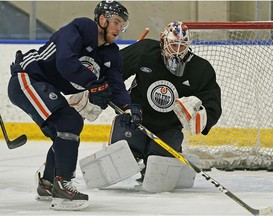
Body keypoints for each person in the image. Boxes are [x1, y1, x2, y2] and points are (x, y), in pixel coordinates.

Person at [7, 0, 142, 210]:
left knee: (65, 131)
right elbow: (65, 61)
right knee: (69, 120)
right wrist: (93, 84)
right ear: (102, 19)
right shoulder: (80, 28)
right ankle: (63, 186)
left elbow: (115, 86)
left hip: (46, 86)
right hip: (27, 78)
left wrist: (128, 109)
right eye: (116, 22)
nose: (119, 28)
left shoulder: (112, 54)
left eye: (122, 25)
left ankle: (48, 182)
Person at [109, 21, 222, 184]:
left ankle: (160, 158)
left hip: (169, 127)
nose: (176, 51)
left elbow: (212, 103)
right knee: (123, 158)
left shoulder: (200, 69)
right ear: (162, 42)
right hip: (135, 118)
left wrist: (203, 118)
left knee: (157, 172)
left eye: (181, 46)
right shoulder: (144, 51)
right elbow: (112, 74)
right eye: (172, 44)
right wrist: (124, 105)